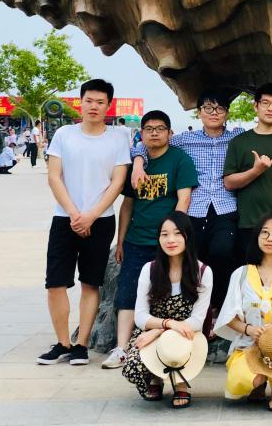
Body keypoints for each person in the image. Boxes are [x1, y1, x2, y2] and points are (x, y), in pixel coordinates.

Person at [130, 90, 272, 319]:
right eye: (208, 108)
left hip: (226, 206)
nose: (214, 113)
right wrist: (138, 161)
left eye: (220, 109)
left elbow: (268, 132)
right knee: (193, 256)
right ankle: (193, 310)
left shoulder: (236, 137)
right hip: (196, 206)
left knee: (223, 252)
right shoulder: (185, 139)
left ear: (227, 113)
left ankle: (220, 308)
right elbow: (150, 142)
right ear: (199, 112)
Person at [38, 79, 130, 366]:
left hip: (101, 220)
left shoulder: (118, 138)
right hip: (64, 218)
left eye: (100, 102)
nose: (94, 106)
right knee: (55, 283)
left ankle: (81, 345)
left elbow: (117, 182)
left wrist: (91, 215)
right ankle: (62, 343)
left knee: (91, 283)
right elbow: (54, 176)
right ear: (81, 102)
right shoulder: (64, 134)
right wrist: (75, 213)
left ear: (108, 105)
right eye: (89, 100)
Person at [104, 111, 198, 369]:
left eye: (160, 128)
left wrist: (173, 236)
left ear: (170, 133)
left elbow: (184, 199)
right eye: (149, 129)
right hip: (136, 240)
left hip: (167, 243)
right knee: (128, 291)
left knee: (169, 293)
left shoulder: (180, 160)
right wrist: (121, 241)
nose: (154, 133)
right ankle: (121, 348)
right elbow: (127, 205)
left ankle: (172, 344)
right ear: (142, 133)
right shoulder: (137, 163)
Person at [214, 212, 272, 412]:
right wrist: (249, 329)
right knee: (239, 382)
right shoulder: (241, 274)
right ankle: (259, 382)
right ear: (256, 237)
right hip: (249, 343)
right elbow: (229, 318)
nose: (270, 238)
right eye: (264, 232)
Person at [121, 211, 212, 407]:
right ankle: (155, 377)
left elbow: (197, 320)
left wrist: (161, 331)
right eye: (164, 234)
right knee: (132, 369)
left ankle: (180, 382)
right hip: (151, 331)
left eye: (177, 233)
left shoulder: (202, 272)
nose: (171, 240)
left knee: (176, 345)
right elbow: (140, 316)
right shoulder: (149, 269)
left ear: (188, 237)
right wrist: (167, 324)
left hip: (187, 333)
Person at [223, 83, 272, 277]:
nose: (270, 108)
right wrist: (256, 171)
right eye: (265, 103)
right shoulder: (239, 142)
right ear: (255, 106)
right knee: (249, 278)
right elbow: (229, 182)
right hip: (247, 223)